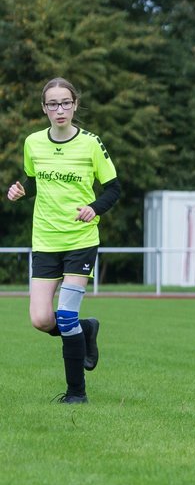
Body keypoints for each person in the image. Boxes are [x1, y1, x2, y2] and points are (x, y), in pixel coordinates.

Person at [6, 78, 122, 404]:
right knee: (41, 319)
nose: (60, 110)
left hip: (80, 240)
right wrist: (21, 189)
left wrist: (93, 208)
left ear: (75, 105)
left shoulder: (91, 144)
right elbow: (32, 178)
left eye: (66, 103)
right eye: (53, 104)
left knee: (65, 315)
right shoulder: (33, 143)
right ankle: (86, 330)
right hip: (44, 239)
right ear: (44, 108)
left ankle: (76, 393)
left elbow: (114, 189)